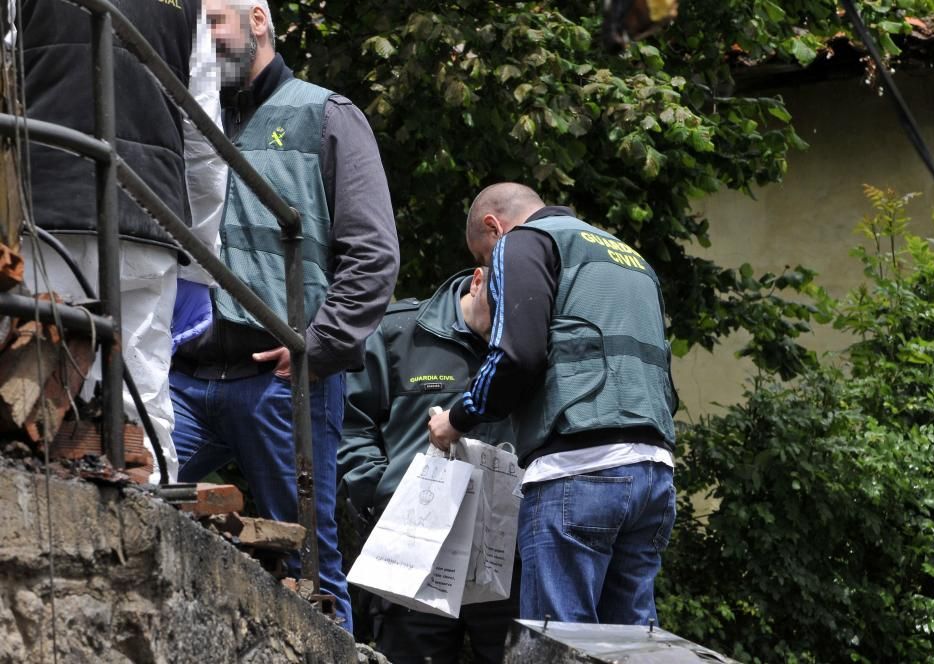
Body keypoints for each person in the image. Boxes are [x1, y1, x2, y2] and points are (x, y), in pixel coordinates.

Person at [169, 0, 398, 632]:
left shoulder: (325, 113)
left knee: (307, 562)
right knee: (137, 489)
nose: (205, 40)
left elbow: (374, 254)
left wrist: (317, 346)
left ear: (260, 19)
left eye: (215, 21)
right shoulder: (188, 116)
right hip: (184, 376)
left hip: (280, 378)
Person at [429, 182, 679, 625]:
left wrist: (458, 418)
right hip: (654, 473)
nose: (488, 272)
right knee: (633, 644)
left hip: (577, 474)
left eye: (483, 257)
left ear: (493, 227)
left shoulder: (522, 242)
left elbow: (517, 356)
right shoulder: (629, 258)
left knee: (557, 641)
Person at [17, 0, 225, 483]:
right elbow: (205, 144)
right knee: (140, 390)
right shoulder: (189, 7)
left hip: (43, 211)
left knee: (30, 374)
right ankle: (150, 502)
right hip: (146, 219)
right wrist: (198, 264)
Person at [339, 267, 517, 663]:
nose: (509, 322)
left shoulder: (527, 343)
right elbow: (351, 423)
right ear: (477, 281)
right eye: (500, 306)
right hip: (413, 548)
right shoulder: (398, 331)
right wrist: (376, 495)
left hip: (504, 555)